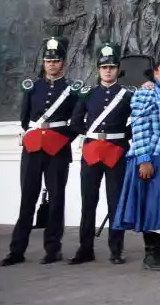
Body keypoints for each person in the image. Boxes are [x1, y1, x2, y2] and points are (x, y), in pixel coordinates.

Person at [1, 37, 79, 266]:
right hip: (33, 149)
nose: (52, 64)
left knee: (56, 199)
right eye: (48, 60)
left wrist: (61, 141)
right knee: (27, 198)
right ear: (43, 63)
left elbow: (75, 123)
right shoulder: (33, 87)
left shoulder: (70, 90)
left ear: (63, 63)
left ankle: (53, 249)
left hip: (57, 150)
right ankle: (17, 250)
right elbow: (25, 119)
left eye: (56, 61)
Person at [113, 57, 160, 271]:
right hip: (155, 156)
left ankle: (158, 251)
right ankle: (150, 253)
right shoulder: (145, 93)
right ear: (155, 74)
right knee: (154, 206)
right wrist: (144, 159)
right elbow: (138, 128)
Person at [68, 43, 134, 265]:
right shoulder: (88, 94)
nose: (108, 71)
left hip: (116, 152)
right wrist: (91, 134)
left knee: (116, 202)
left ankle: (116, 249)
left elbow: (137, 122)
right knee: (89, 201)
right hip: (92, 152)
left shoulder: (126, 94)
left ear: (117, 69)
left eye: (112, 67)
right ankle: (85, 249)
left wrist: (122, 136)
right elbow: (75, 122)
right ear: (98, 69)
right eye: (104, 67)